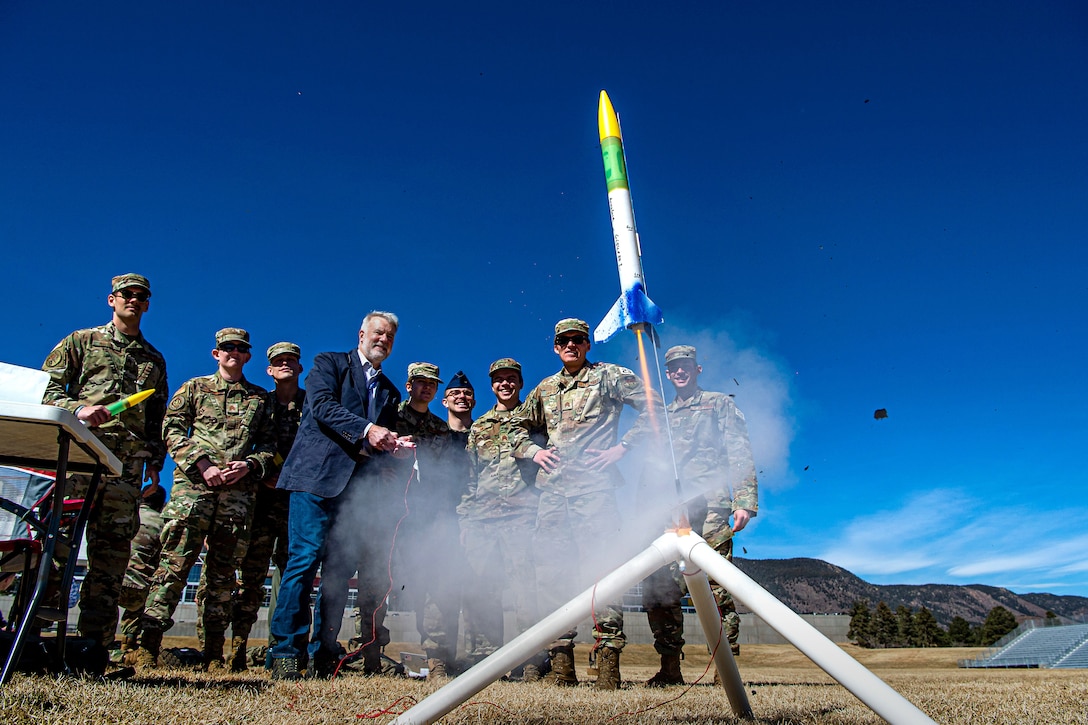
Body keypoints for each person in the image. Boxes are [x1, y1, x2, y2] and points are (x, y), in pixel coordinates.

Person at [508, 318, 659, 690]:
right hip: (553, 497)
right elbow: (515, 426)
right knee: (552, 576)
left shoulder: (609, 377)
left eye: (578, 340)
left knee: (604, 574)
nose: (571, 345)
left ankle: (608, 669)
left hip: (595, 493)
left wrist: (621, 448)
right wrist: (532, 451)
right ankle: (562, 668)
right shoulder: (545, 388)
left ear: (587, 344)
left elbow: (654, 406)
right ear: (556, 347)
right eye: (564, 341)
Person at [267, 312, 407, 681]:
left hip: (354, 493)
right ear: (362, 334)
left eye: (390, 336)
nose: (383, 340)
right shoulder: (328, 363)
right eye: (378, 333)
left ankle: (325, 652)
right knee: (304, 560)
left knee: (339, 573)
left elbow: (378, 440)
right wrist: (369, 429)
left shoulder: (390, 391)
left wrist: (395, 445)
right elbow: (323, 408)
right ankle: (286, 651)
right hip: (315, 480)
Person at [135, 328, 277, 670]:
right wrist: (201, 464)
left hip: (236, 498)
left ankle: (213, 652)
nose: (233, 353)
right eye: (227, 348)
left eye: (240, 349)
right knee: (174, 566)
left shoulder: (260, 399)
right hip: (193, 493)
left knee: (222, 577)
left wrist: (248, 465)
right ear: (216, 354)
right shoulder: (194, 389)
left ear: (247, 356)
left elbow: (270, 446)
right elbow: (171, 428)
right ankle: (147, 646)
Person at [41, 272, 168, 648]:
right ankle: (34, 637)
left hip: (124, 470)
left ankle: (92, 646)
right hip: (77, 458)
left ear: (146, 304)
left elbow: (156, 418)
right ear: (111, 299)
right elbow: (45, 390)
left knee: (111, 559)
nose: (133, 300)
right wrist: (79, 408)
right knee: (57, 546)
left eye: (140, 296)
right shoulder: (82, 342)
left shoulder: (153, 360)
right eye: (125, 294)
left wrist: (155, 464)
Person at [641, 344, 758, 686]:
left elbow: (739, 450)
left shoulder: (720, 404)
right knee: (660, 588)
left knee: (716, 586)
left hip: (711, 505)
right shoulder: (660, 415)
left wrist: (744, 501)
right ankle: (669, 667)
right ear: (666, 373)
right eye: (673, 367)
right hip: (669, 510)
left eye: (685, 365)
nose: (679, 371)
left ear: (697, 368)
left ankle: (725, 670)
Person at [459, 358, 543, 679]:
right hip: (483, 521)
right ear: (491, 385)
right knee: (481, 587)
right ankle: (486, 660)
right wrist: (466, 520)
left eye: (511, 379)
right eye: (499, 380)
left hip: (523, 516)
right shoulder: (479, 426)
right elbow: (470, 479)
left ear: (520, 383)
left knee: (525, 590)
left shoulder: (534, 422)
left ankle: (531, 660)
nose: (505, 384)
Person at [227, 341, 306, 670]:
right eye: (278, 361)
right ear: (269, 370)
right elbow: (243, 443)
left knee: (292, 576)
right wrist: (263, 474)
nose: (285, 364)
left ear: (299, 369)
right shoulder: (258, 403)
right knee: (251, 575)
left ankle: (283, 651)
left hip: (296, 501)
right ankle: (237, 649)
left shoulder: (313, 404)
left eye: (291, 360)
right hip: (260, 499)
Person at [387, 362, 466, 678]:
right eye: (420, 382)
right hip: (388, 513)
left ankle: (437, 660)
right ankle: (369, 654)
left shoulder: (440, 429)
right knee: (379, 583)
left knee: (434, 586)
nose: (427, 388)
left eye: (432, 383)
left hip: (427, 516)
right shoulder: (389, 417)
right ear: (409, 386)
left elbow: (447, 476)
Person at [114, 485, 167, 664]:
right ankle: (127, 645)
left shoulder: (126, 514)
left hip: (109, 581)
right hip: (137, 589)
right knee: (137, 606)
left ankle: (95, 643)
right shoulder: (162, 524)